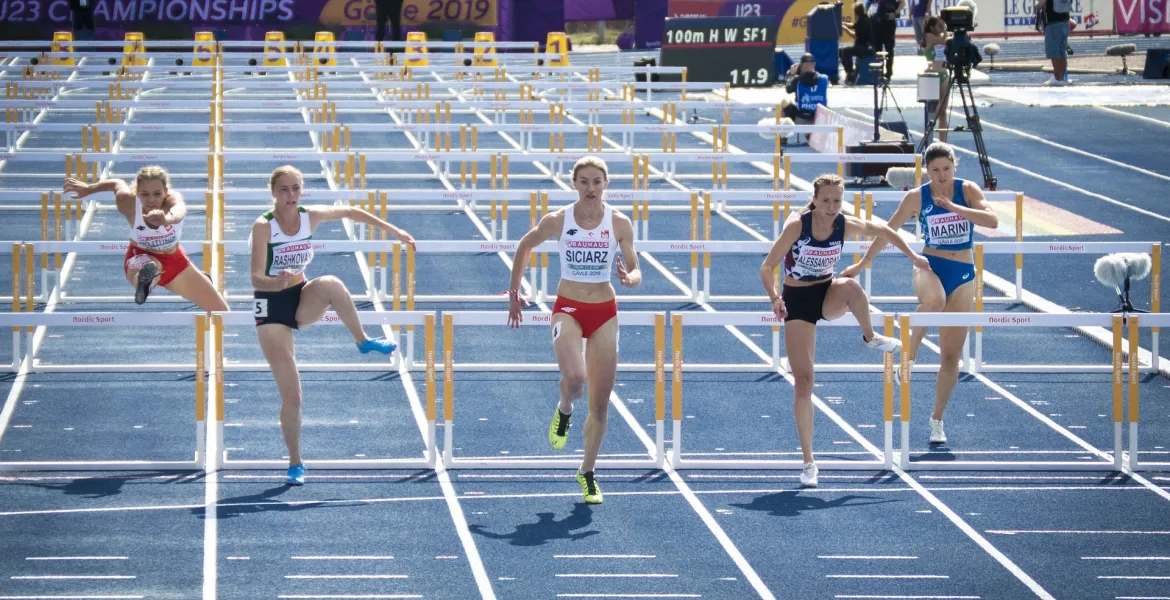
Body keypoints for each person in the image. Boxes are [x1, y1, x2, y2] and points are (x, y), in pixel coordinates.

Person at [250, 165, 416, 486]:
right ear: (273, 192)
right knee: (293, 396)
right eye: (283, 189)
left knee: (332, 284)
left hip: (300, 295)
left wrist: (393, 231)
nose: (290, 195)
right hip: (270, 305)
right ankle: (295, 462)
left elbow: (351, 211)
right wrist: (275, 280)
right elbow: (255, 276)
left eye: (296, 189)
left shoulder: (310, 215)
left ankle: (362, 340)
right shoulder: (263, 227)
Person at [760, 173, 928, 487]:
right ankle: (809, 462)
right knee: (804, 383)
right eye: (826, 200)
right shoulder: (798, 225)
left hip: (827, 295)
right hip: (797, 302)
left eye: (837, 200)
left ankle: (870, 337)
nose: (832, 206)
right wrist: (774, 298)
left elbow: (884, 229)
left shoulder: (844, 224)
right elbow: (767, 266)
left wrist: (913, 256)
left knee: (851, 286)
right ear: (815, 199)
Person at [842, 143, 998, 445]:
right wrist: (863, 262)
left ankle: (937, 419)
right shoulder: (917, 197)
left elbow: (991, 221)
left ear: (955, 166)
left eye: (946, 169)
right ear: (927, 170)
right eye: (935, 170)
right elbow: (889, 229)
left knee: (951, 356)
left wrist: (955, 208)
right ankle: (909, 355)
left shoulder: (967, 191)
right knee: (935, 301)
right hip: (929, 265)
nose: (941, 176)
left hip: (963, 273)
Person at [507, 156, 641, 505]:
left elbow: (635, 267)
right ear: (575, 184)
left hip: (604, 311)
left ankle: (587, 472)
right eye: (584, 181)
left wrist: (630, 278)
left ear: (606, 184)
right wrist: (514, 292)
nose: (591, 188)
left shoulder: (620, 222)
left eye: (597, 181)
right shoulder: (559, 220)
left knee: (599, 404)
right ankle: (564, 406)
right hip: (568, 307)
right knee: (576, 379)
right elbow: (524, 245)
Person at [63, 166, 229, 312]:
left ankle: (188, 280)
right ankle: (143, 285)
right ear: (137, 193)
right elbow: (116, 184)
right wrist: (89, 188)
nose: (151, 200)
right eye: (145, 194)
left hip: (175, 262)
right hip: (140, 256)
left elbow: (180, 211)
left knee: (221, 311)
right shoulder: (127, 201)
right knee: (152, 265)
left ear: (166, 192)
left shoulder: (172, 200)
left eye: (157, 194)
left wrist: (166, 219)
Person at [922, 15, 951, 142]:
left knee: (943, 112)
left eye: (942, 25)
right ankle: (929, 139)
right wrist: (945, 28)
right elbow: (942, 40)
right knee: (932, 112)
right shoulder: (929, 36)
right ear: (932, 27)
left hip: (944, 75)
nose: (941, 28)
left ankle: (942, 142)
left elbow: (947, 41)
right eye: (939, 25)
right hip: (932, 76)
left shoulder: (942, 36)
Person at [781, 53, 829, 125]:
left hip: (801, 116)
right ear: (814, 64)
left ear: (801, 66)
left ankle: (782, 135)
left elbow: (788, 89)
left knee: (784, 101)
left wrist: (792, 75)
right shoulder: (825, 78)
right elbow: (813, 78)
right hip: (819, 116)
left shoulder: (797, 79)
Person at [1037, 0, 1072, 84]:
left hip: (1053, 23)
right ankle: (1062, 77)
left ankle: (1057, 78)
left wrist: (1037, 5)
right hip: (1065, 22)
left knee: (1054, 52)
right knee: (1062, 51)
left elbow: (1040, 3)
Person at [840, 2, 874, 84]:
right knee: (845, 51)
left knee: (843, 51)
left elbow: (855, 35)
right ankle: (851, 71)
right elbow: (854, 26)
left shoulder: (863, 22)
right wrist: (844, 24)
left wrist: (845, 29)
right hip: (866, 46)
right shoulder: (864, 18)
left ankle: (850, 72)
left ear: (856, 12)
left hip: (865, 48)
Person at [871, 0, 905, 79]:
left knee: (889, 49)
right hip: (876, 25)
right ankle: (879, 71)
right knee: (877, 49)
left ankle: (889, 72)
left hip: (888, 25)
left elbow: (903, 2)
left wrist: (895, 13)